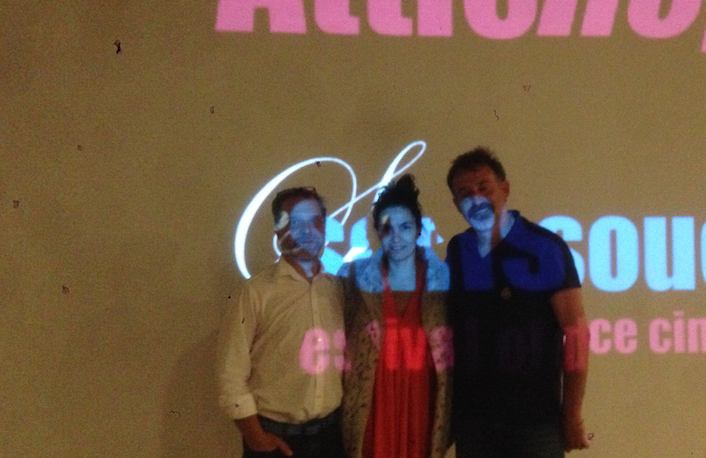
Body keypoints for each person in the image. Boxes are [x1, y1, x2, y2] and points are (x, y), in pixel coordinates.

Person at [445, 148, 590, 458]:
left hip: (535, 424)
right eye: (465, 194)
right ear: (457, 205)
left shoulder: (545, 247)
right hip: (474, 424)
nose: (476, 199)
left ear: (505, 189)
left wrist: (572, 414)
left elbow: (577, 335)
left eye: (484, 188)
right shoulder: (458, 250)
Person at [216, 187, 344, 458]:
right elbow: (231, 373)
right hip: (274, 440)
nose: (307, 231)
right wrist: (255, 437)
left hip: (332, 437)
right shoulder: (255, 292)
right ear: (277, 229)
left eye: (315, 221)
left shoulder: (338, 290)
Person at [339, 174, 452, 458]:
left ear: (418, 230)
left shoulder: (442, 280)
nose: (397, 237)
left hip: (422, 401)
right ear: (377, 232)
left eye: (405, 227)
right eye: (387, 228)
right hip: (371, 402)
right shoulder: (353, 276)